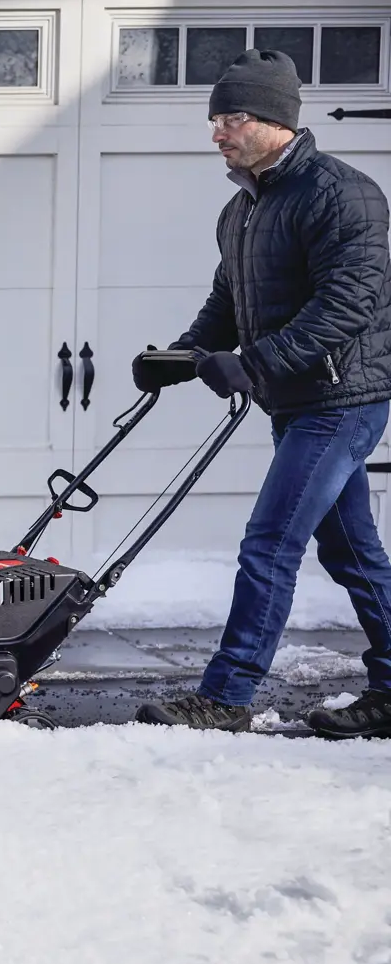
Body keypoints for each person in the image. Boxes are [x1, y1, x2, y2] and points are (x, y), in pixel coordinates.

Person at [132, 48, 391, 737]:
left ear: (277, 121)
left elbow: (349, 304)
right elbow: (229, 298)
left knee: (270, 542)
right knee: (351, 553)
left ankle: (227, 695)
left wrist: (256, 363)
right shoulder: (243, 207)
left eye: (233, 117)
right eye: (214, 118)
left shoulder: (342, 194)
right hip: (298, 401)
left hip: (341, 402)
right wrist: (180, 355)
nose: (218, 132)